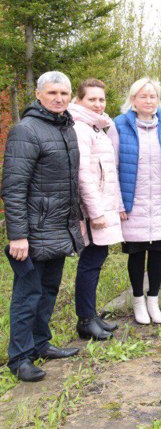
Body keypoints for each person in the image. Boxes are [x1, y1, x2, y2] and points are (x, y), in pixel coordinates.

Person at [1, 71, 84, 382]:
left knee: (48, 290)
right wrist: (18, 235)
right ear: (38, 95)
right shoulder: (26, 131)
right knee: (27, 294)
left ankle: (40, 343)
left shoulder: (66, 128)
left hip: (60, 228)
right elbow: (13, 187)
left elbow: (70, 184)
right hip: (33, 232)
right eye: (52, 93)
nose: (58, 98)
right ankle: (20, 358)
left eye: (63, 93)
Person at [113, 78, 161, 325]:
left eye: (153, 96)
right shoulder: (119, 126)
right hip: (132, 205)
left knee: (158, 254)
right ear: (133, 100)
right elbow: (111, 166)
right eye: (143, 96)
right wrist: (118, 204)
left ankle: (153, 301)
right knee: (136, 254)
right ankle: (137, 301)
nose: (148, 101)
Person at [70, 79, 124, 341]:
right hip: (93, 210)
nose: (98, 104)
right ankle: (85, 320)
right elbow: (84, 176)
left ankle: (91, 314)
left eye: (101, 99)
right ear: (79, 100)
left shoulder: (97, 127)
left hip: (104, 205)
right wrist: (96, 212)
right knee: (90, 263)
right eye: (92, 99)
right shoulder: (81, 128)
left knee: (97, 260)